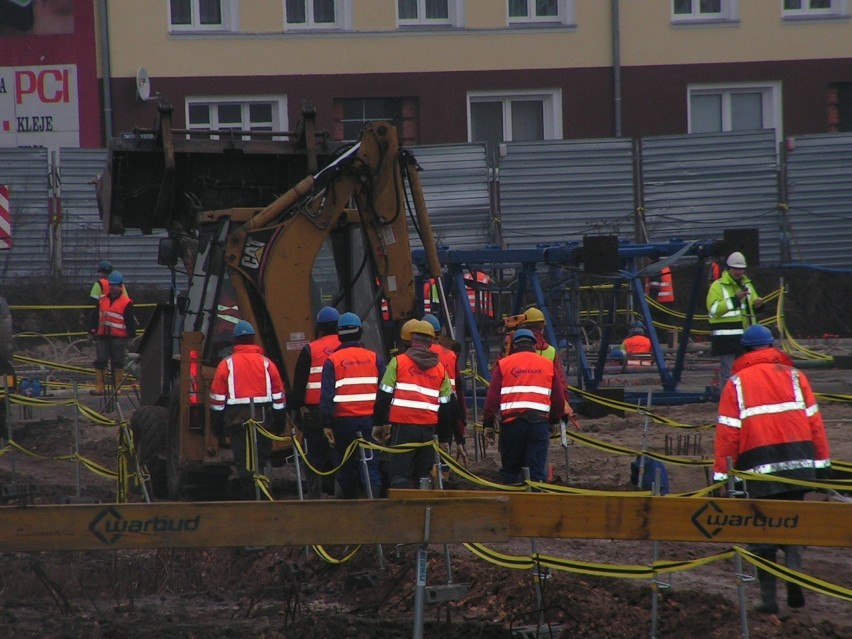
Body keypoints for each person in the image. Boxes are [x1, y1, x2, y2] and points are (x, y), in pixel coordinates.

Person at [713, 324, 832, 615]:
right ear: (772, 346)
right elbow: (814, 423)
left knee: (761, 531)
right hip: (798, 465)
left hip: (758, 468)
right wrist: (822, 467)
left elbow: (729, 433)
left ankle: (768, 598)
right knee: (793, 524)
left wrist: (721, 477)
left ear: (745, 350)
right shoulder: (794, 376)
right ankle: (794, 581)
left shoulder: (736, 382)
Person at [209, 320, 287, 500]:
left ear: (235, 341)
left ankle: (249, 497)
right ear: (253, 339)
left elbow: (217, 400)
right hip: (264, 420)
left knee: (243, 461)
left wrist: (217, 427)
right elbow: (279, 397)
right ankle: (265, 492)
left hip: (237, 422)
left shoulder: (226, 365)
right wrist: (279, 421)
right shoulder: (267, 364)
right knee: (261, 458)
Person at [374, 319, 453, 489]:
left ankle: (402, 511)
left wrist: (379, 423)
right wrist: (444, 437)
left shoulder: (398, 362)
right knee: (423, 475)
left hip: (403, 428)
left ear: (410, 340)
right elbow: (447, 407)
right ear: (431, 342)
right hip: (428, 431)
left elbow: (384, 395)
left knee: (400, 473)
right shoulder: (440, 369)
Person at [482, 329, 567, 484]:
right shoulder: (547, 365)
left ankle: (513, 504)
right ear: (534, 345)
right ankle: (536, 502)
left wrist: (488, 424)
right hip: (539, 425)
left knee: (511, 472)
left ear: (514, 345)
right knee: (536, 472)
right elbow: (559, 398)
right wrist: (554, 420)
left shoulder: (504, 364)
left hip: (511, 426)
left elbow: (492, 398)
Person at [320, 312, 385, 499]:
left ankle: (348, 505)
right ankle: (372, 502)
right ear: (360, 332)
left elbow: (327, 397)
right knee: (371, 462)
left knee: (345, 463)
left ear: (339, 334)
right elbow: (384, 393)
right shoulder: (374, 358)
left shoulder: (332, 361)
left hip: (343, 421)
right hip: (369, 421)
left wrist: (326, 424)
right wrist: (381, 421)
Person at [289, 306, 340, 498]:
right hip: (340, 409)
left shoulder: (311, 349)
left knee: (314, 455)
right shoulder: (348, 348)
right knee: (339, 452)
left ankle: (314, 493)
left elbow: (299, 383)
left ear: (319, 327)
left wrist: (295, 406)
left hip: (315, 411)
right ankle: (340, 491)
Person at [706, 251, 764, 388]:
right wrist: (734, 300)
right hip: (726, 340)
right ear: (729, 268)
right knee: (729, 374)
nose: (739, 272)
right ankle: (729, 403)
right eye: (736, 269)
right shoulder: (718, 286)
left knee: (747, 373)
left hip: (746, 337)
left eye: (741, 269)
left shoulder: (747, 285)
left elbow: (750, 308)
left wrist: (758, 306)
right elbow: (713, 310)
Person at [422, 313, 467, 461]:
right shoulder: (450, 355)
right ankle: (444, 477)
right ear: (439, 333)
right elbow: (457, 392)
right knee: (443, 454)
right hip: (447, 411)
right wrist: (460, 431)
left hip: (423, 412)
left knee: (424, 458)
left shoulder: (414, 354)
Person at [88, 271, 137, 395]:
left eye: (114, 285)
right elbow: (95, 317)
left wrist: (131, 337)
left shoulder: (126, 302)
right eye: (111, 285)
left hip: (119, 337)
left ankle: (117, 387)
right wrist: (91, 331)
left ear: (120, 286)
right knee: (101, 361)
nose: (112, 288)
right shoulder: (102, 300)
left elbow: (130, 321)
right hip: (102, 335)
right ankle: (100, 387)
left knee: (118, 362)